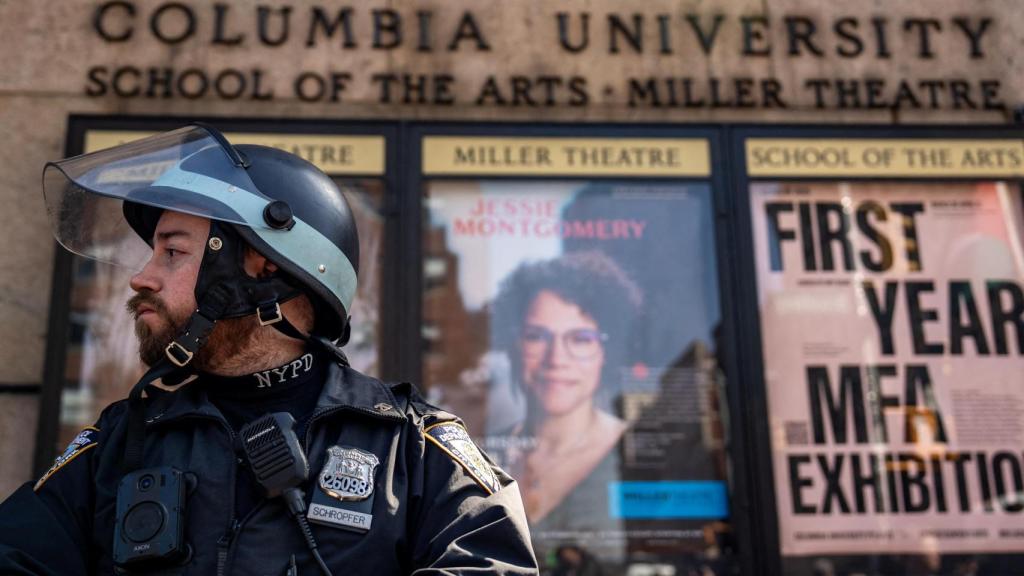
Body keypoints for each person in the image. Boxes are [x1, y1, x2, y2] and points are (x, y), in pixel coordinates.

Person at [0, 125, 537, 575]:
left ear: (262, 268)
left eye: (173, 252)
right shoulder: (122, 441)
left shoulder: (410, 447)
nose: (142, 277)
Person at [489, 251, 642, 533]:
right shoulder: (481, 453)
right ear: (514, 346)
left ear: (605, 352)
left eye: (581, 339)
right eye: (536, 337)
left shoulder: (636, 453)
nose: (556, 358)